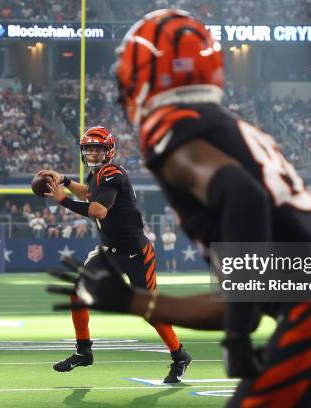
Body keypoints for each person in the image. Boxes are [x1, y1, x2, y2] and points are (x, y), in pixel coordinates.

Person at [49, 10, 311, 408]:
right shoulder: (229, 128)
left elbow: (243, 198)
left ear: (142, 78)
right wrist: (135, 302)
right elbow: (243, 299)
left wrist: (237, 337)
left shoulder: (176, 132)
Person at [39, 126, 191, 383]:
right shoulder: (97, 175)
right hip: (109, 250)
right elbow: (88, 194)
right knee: (77, 295)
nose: (93, 153)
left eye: (97, 149)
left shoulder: (112, 173)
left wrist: (63, 200)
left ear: (108, 151)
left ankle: (179, 355)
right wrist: (64, 180)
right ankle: (83, 351)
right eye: (89, 149)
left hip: (135, 253)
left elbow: (98, 210)